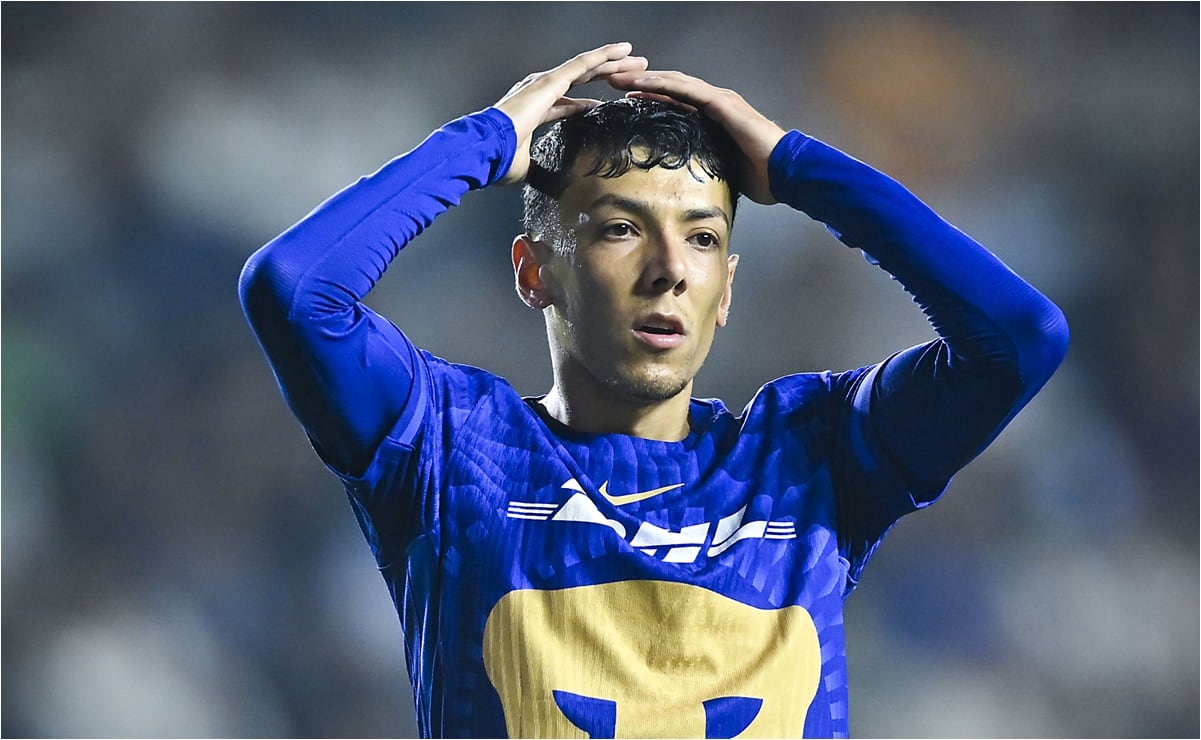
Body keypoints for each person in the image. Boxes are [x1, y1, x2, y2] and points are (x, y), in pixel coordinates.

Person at [239, 43, 1068, 738]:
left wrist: (797, 167)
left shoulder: (806, 456)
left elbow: (1018, 338)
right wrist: (483, 142)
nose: (669, 270)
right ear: (534, 273)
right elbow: (293, 289)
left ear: (728, 287)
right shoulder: (449, 448)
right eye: (621, 229)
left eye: (702, 236)